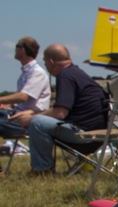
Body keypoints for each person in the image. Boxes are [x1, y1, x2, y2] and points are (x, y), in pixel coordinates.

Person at [11, 44, 106, 174]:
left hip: (84, 135)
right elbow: (62, 109)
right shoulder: (76, 73)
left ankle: (42, 170)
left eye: (45, 62)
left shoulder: (65, 76)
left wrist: (31, 118)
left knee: (37, 123)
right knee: (37, 119)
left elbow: (60, 113)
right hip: (96, 133)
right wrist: (33, 112)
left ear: (51, 62)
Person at [0, 37, 51, 178]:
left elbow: (23, 97)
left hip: (28, 120)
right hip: (19, 115)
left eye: (16, 46)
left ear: (22, 50)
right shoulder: (27, 72)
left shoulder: (36, 72)